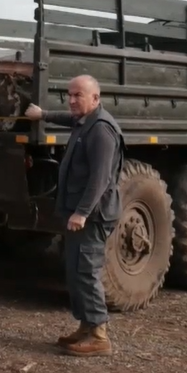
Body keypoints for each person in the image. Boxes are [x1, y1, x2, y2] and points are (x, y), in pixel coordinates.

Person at [24, 74, 125, 357]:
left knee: (85, 270)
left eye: (78, 95)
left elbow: (100, 179)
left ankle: (99, 335)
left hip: (93, 216)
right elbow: (68, 118)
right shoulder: (84, 121)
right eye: (69, 94)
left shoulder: (102, 130)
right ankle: (85, 326)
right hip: (81, 213)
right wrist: (43, 114)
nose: (71, 100)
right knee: (74, 269)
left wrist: (81, 212)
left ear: (95, 98)